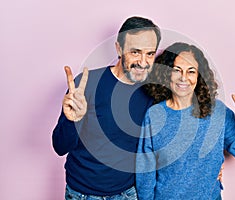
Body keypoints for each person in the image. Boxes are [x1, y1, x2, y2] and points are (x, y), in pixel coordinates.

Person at [52, 16, 161, 199]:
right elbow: (60, 147)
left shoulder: (153, 93)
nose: (143, 62)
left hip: (127, 194)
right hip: (82, 194)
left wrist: (211, 166)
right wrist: (72, 120)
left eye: (150, 54)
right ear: (119, 48)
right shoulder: (86, 84)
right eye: (135, 52)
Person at [136, 42, 235, 200]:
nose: (184, 77)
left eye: (191, 71)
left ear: (199, 76)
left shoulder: (217, 112)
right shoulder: (154, 115)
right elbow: (145, 169)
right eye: (177, 70)